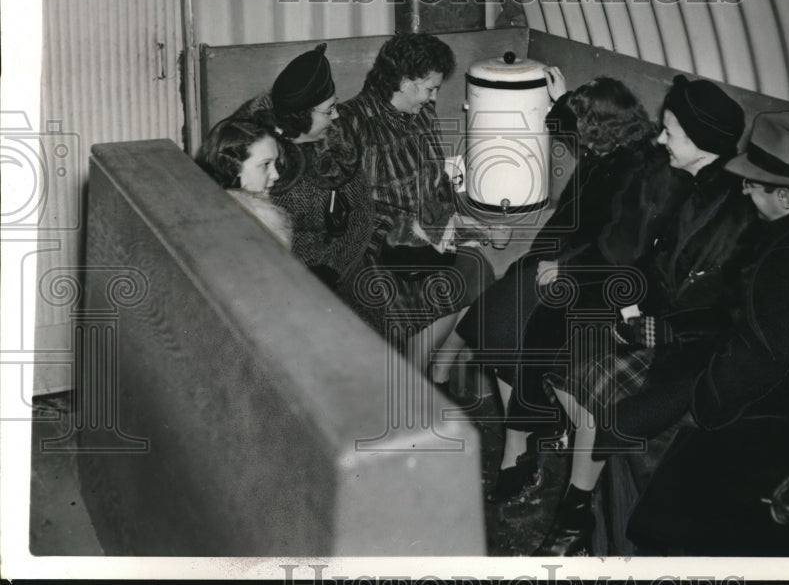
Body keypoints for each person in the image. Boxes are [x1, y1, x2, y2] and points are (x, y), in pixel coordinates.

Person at [531, 76, 753, 556]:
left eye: (670, 131)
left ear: (701, 143)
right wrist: (632, 306)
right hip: (658, 327)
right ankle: (582, 514)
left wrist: (660, 326)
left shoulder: (737, 209)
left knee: (599, 401)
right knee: (569, 374)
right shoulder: (691, 186)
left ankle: (575, 522)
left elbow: (726, 308)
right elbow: (651, 262)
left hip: (697, 352)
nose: (660, 139)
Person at [626, 110, 789, 556]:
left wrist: (701, 406)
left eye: (754, 183)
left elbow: (762, 360)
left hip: (765, 418)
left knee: (642, 447)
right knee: (631, 426)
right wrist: (672, 330)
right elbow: (735, 315)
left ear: (787, 197)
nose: (744, 189)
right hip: (768, 395)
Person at [455, 74, 677, 508]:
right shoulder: (608, 147)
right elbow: (564, 130)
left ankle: (518, 451)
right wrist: (564, 97)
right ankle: (533, 432)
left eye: (587, 138)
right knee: (493, 320)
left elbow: (623, 248)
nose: (583, 148)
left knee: (525, 328)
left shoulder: (642, 168)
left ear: (604, 130)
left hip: (604, 277)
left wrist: (564, 266)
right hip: (564, 260)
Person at [337, 33, 495, 373]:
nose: (434, 97)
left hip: (427, 236)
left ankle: (436, 376)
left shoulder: (423, 114)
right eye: (430, 88)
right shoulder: (353, 124)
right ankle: (413, 386)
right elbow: (350, 212)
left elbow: (437, 186)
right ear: (404, 82)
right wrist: (413, 233)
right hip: (378, 248)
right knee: (436, 289)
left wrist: (463, 223)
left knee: (479, 269)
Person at [233, 44, 376, 320]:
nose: (337, 116)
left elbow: (362, 214)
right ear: (300, 116)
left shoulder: (339, 147)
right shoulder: (258, 154)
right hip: (278, 277)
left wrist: (333, 269)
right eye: (328, 110)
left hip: (336, 268)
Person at [196, 117, 292, 248]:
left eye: (275, 164)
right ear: (233, 167)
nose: (276, 175)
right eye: (265, 164)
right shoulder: (238, 225)